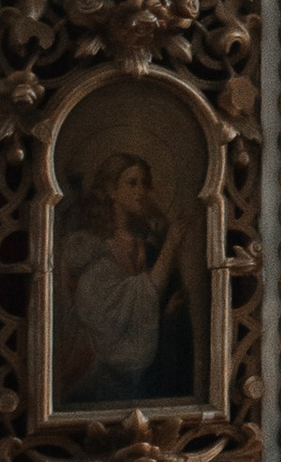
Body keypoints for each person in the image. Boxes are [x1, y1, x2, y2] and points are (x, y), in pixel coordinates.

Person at [58, 149, 194, 403]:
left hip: (151, 372)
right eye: (131, 183)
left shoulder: (148, 245)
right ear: (111, 190)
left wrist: (167, 316)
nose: (141, 191)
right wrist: (172, 242)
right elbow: (108, 311)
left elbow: (154, 307)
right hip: (99, 374)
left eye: (144, 183)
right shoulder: (90, 248)